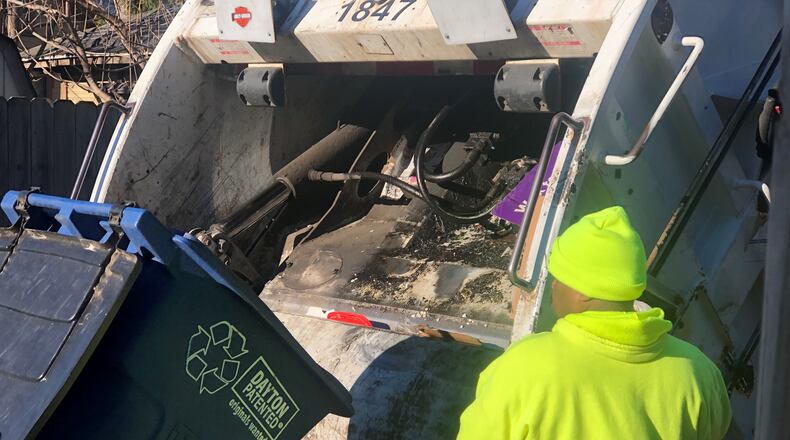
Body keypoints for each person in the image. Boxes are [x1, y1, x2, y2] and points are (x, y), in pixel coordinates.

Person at [457, 206, 732, 439]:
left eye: (558, 277)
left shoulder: (522, 369)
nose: (552, 287)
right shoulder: (699, 372)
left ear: (584, 291)